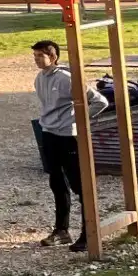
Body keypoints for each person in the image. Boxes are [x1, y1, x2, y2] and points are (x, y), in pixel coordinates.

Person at [33, 38, 109, 251]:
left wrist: (78, 120)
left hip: (68, 136)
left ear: (53, 57)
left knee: (79, 184)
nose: (37, 60)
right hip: (49, 133)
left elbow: (100, 101)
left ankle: (88, 233)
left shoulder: (67, 78)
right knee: (56, 182)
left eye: (41, 55)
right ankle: (62, 230)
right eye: (35, 56)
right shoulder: (40, 79)